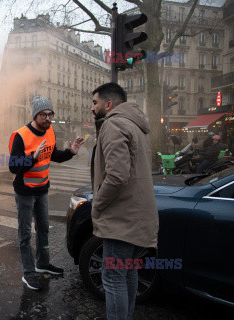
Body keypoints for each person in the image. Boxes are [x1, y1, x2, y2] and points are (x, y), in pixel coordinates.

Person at [90, 83, 158, 320]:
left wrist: (97, 203)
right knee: (127, 272)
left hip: (122, 218)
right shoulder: (137, 126)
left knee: (112, 276)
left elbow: (117, 176)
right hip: (138, 215)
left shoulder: (114, 124)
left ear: (108, 104)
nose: (92, 108)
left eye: (95, 102)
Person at [9, 96, 84, 291]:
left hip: (42, 189)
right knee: (25, 234)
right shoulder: (20, 135)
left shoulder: (50, 131)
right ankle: (28, 273)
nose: (48, 118)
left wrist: (70, 152)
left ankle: (43, 263)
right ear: (35, 114)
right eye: (44, 114)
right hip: (24, 191)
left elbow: (54, 155)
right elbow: (13, 166)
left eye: (51, 114)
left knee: (43, 230)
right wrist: (31, 158)